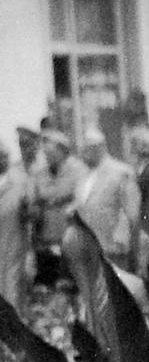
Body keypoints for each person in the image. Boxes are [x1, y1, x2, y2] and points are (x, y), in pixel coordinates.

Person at [72, 127, 143, 274]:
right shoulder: (83, 175)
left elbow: (132, 211)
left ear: (99, 148)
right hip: (87, 246)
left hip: (113, 245)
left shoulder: (121, 172)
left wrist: (123, 237)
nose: (83, 154)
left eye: (86, 149)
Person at [31, 129, 87, 286]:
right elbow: (35, 201)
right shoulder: (39, 172)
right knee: (49, 284)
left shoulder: (79, 170)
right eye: (46, 153)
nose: (48, 157)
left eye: (51, 153)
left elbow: (82, 201)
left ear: (63, 151)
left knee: (71, 283)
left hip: (71, 237)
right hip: (47, 239)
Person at [0, 142, 30, 311]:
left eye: (4, 156)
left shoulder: (20, 181)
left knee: (12, 291)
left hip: (14, 245)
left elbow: (30, 216)